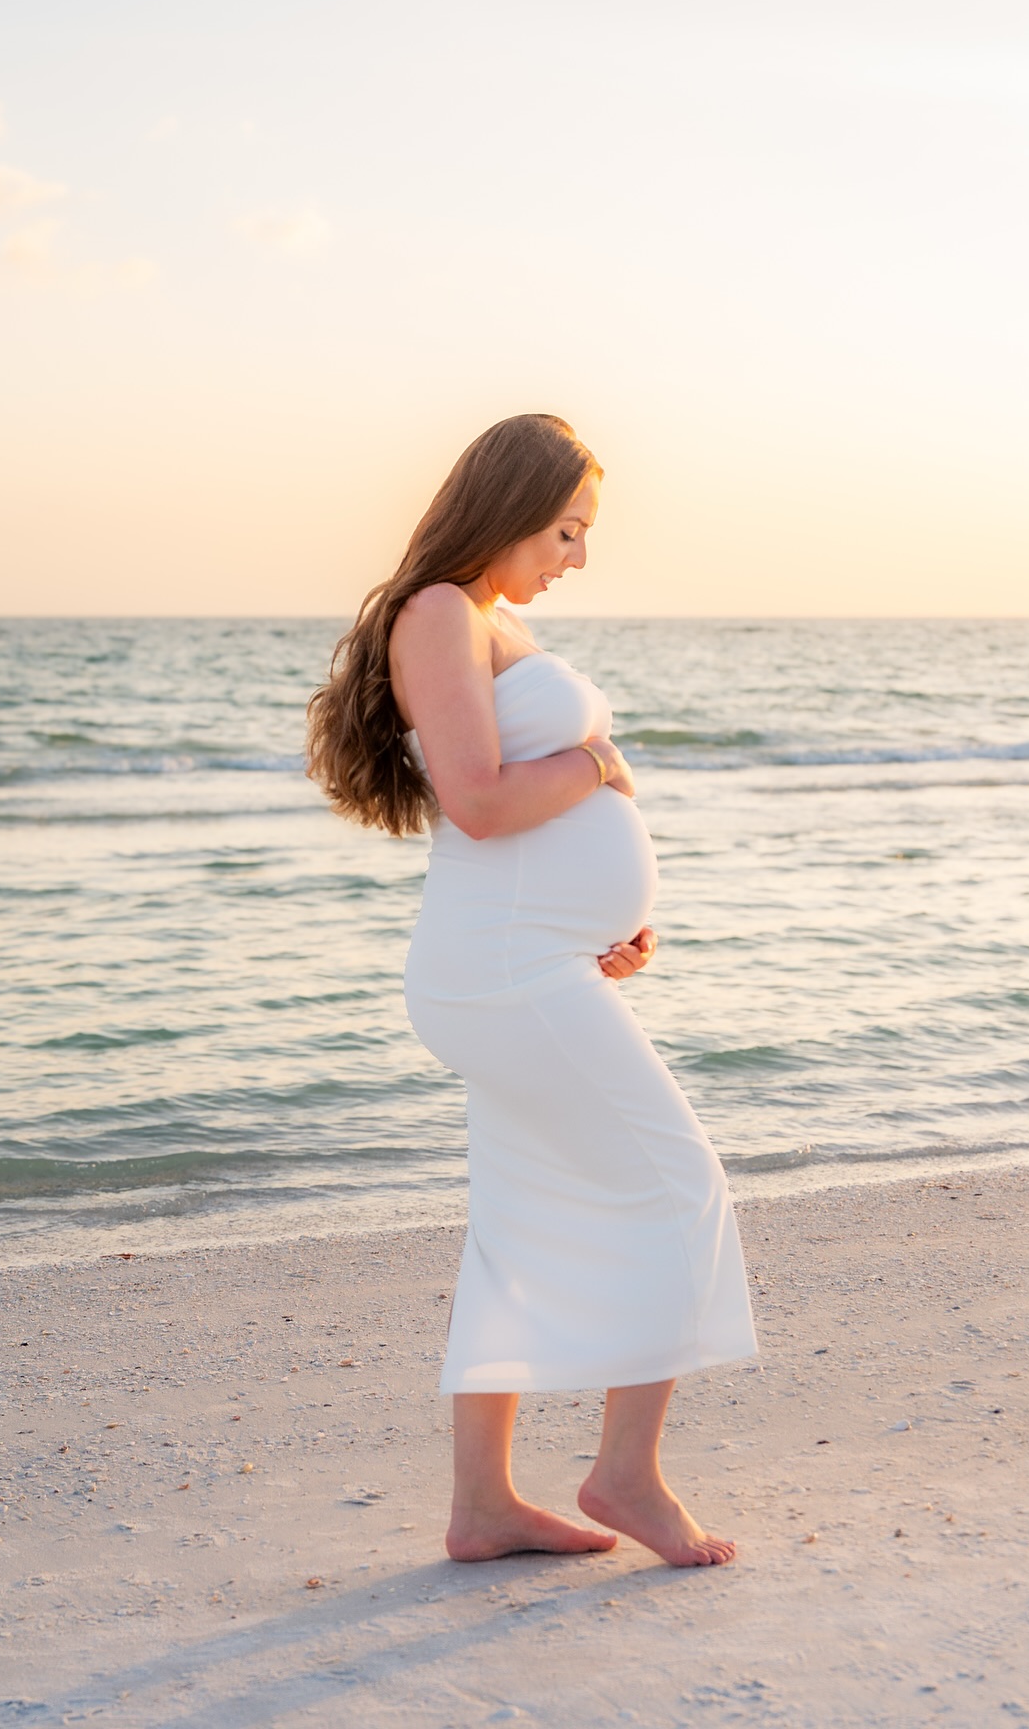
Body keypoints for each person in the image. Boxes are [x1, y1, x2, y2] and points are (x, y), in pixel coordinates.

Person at [306, 414, 757, 1567]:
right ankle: (625, 1475)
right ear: (509, 508)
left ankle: (484, 1508)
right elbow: (482, 800)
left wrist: (612, 915)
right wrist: (598, 767)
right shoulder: (440, 613)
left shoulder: (483, 620)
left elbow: (524, 813)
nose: (578, 558)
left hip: (524, 960)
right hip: (496, 970)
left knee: (514, 1227)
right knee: (677, 1183)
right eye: (567, 530)